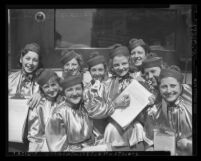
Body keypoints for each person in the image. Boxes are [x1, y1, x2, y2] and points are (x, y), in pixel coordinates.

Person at [90, 44, 153, 150]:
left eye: (124, 63)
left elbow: (145, 105)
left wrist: (149, 102)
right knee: (111, 130)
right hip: (114, 125)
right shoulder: (106, 84)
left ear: (129, 62)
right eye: (116, 65)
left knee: (138, 129)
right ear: (112, 66)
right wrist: (114, 104)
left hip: (135, 124)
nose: (121, 67)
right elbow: (95, 111)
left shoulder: (138, 80)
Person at [148, 67, 192, 155]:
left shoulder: (190, 108)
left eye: (173, 86)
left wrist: (190, 145)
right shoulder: (155, 111)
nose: (169, 90)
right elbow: (149, 141)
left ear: (180, 86)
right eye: (164, 87)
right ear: (159, 89)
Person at [45, 74, 95, 151]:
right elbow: (56, 147)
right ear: (64, 93)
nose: (74, 93)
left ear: (83, 90)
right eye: (70, 90)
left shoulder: (86, 106)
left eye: (78, 89)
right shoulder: (58, 113)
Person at [8, 42, 43, 152]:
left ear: (38, 63)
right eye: (27, 58)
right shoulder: (10, 80)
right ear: (21, 59)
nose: (30, 63)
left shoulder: (44, 81)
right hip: (13, 136)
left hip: (35, 137)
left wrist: (41, 93)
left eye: (35, 60)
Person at [27, 69, 64, 152]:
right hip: (46, 147)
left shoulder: (65, 102)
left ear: (59, 84)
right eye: (46, 86)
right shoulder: (38, 106)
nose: (51, 89)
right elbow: (35, 136)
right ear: (41, 89)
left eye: (53, 84)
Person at [83, 51, 113, 144]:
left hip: (112, 127)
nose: (97, 73)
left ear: (105, 70)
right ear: (89, 71)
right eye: (94, 70)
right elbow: (92, 112)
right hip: (95, 131)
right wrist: (114, 105)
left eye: (100, 70)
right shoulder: (87, 89)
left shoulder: (111, 85)